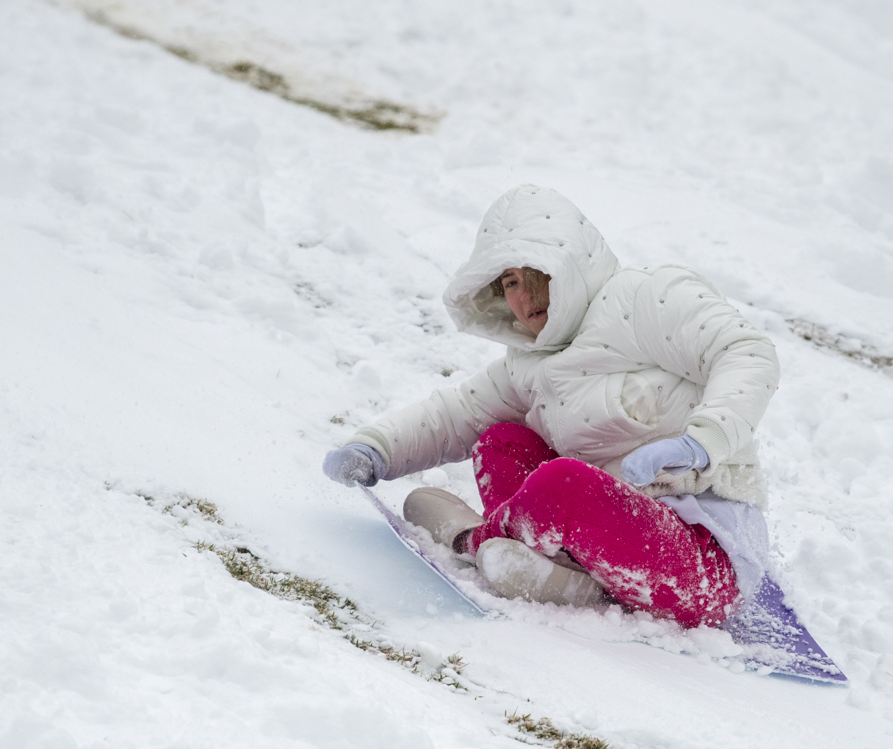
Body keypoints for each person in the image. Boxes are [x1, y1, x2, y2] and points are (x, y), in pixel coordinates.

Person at [321, 185, 779, 630]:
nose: (526, 296)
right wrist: (375, 449)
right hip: (605, 540)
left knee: (562, 482)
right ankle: (558, 574)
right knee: (501, 442)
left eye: (539, 272)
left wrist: (702, 442)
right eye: (511, 282)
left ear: (573, 264)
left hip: (702, 563)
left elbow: (745, 351)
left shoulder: (643, 298)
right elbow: (455, 413)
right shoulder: (529, 361)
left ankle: (472, 540)